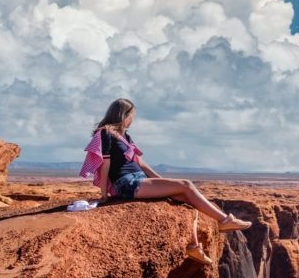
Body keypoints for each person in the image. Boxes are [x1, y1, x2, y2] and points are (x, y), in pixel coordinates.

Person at [80, 98, 250, 264]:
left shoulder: (125, 136)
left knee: (186, 198)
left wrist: (164, 182)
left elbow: (141, 164)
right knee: (186, 185)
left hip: (139, 179)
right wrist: (103, 195)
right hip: (126, 183)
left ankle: (194, 247)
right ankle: (224, 221)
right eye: (132, 115)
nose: (133, 119)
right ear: (123, 115)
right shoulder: (106, 134)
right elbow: (105, 165)